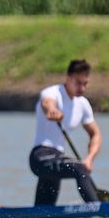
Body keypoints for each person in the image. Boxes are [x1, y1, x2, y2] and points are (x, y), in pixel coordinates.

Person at [29, 59, 102, 206]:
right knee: (79, 168)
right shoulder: (52, 93)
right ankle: (97, 207)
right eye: (78, 83)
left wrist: (89, 159)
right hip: (40, 157)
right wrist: (52, 111)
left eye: (85, 83)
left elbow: (96, 134)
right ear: (68, 79)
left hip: (57, 159)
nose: (82, 88)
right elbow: (47, 103)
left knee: (44, 213)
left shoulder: (83, 104)